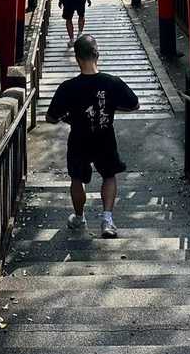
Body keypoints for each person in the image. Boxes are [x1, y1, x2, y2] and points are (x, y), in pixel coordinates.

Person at [46, 33, 139, 238]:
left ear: (77, 58)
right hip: (105, 137)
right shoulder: (112, 83)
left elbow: (51, 117)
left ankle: (79, 217)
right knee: (109, 175)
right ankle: (107, 220)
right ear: (97, 55)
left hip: (79, 139)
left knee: (77, 178)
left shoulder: (68, 87)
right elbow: (134, 105)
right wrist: (111, 107)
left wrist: (66, 117)